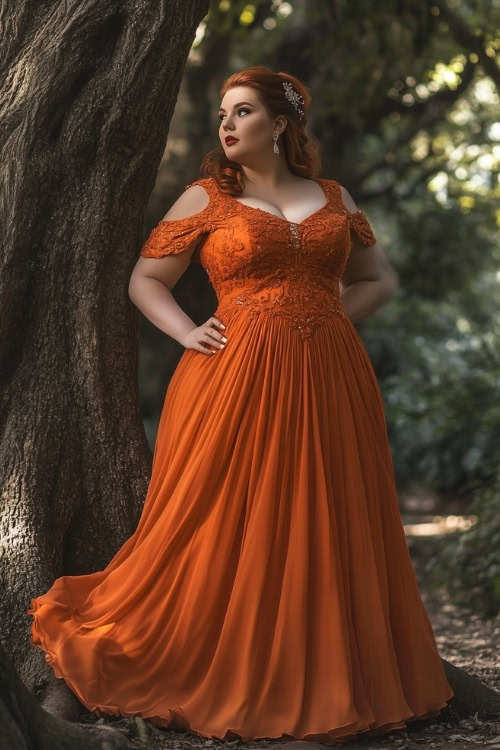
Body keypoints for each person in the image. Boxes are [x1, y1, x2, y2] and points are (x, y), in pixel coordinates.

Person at [27, 66, 454, 743]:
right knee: (230, 511)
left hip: (331, 377)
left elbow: (379, 277)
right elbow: (146, 279)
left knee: (328, 510)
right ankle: (222, 662)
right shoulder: (206, 199)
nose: (226, 124)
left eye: (244, 111)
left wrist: (329, 317)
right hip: (234, 375)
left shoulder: (333, 197)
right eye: (224, 112)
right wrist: (188, 331)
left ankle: (326, 675)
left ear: (281, 124)